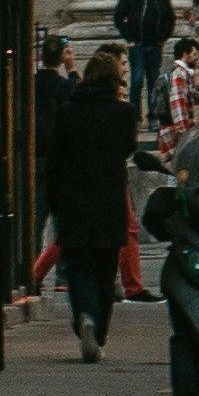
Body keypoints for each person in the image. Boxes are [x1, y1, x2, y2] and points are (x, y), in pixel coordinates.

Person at [49, 44, 142, 360]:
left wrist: (54, 203)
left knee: (77, 267)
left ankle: (85, 315)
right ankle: (98, 328)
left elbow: (55, 159)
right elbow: (128, 149)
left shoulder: (67, 112)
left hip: (74, 201)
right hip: (109, 201)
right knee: (105, 270)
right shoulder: (124, 112)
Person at [111, 0, 177, 129]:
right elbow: (119, 16)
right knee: (137, 81)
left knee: (154, 82)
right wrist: (129, 37)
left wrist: (163, 37)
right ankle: (135, 118)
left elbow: (170, 18)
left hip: (154, 45)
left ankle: (153, 117)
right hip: (137, 45)